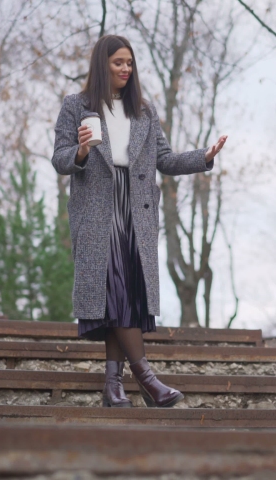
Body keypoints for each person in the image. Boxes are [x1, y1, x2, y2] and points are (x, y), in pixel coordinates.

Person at [51, 35, 227, 408]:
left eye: (129, 62)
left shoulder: (143, 111)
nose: (126, 69)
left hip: (138, 210)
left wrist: (204, 158)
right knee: (114, 290)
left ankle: (113, 387)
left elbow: (164, 159)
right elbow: (60, 159)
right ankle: (147, 379)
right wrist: (81, 150)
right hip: (97, 210)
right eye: (118, 62)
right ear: (103, 64)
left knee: (126, 295)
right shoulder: (76, 106)